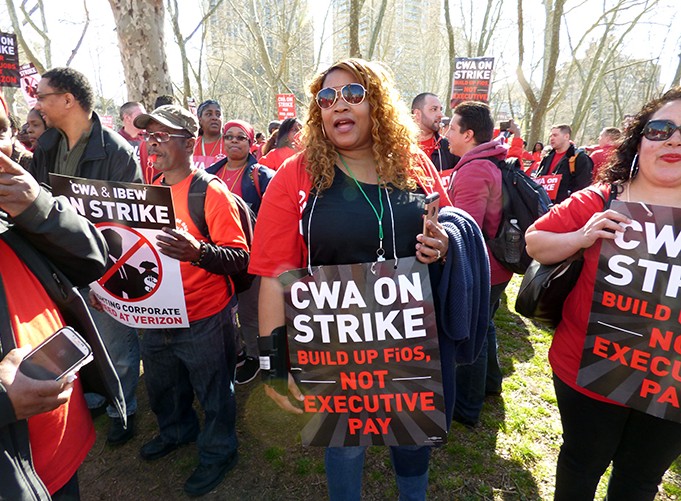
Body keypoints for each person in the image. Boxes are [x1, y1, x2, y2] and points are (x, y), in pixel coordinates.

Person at [249, 58, 468, 501]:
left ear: (378, 105)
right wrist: (274, 367)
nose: (337, 105)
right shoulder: (296, 174)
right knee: (345, 446)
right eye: (326, 98)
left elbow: (442, 227)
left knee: (410, 438)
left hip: (406, 339)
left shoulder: (413, 163)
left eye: (353, 94)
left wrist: (441, 246)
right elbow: (275, 277)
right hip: (333, 344)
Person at [525, 87, 681, 501]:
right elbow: (535, 241)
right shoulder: (603, 198)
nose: (674, 140)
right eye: (661, 129)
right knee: (581, 463)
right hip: (590, 370)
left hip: (672, 383)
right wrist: (582, 235)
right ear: (639, 140)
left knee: (639, 480)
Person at [0, 94, 124, 500]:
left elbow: (94, 260)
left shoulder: (16, 213)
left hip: (61, 459)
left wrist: (39, 209)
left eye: (0, 130)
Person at [133, 105, 248, 496]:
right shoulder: (148, 191)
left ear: (190, 143)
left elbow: (241, 258)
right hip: (155, 314)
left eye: (163, 136)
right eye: (150, 136)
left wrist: (197, 252)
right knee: (164, 385)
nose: (154, 143)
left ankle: (219, 452)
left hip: (204, 316)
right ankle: (177, 431)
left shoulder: (209, 192)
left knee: (214, 392)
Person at [29, 67, 142, 445]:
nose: (37, 104)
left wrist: (106, 274)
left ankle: (123, 409)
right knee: (74, 335)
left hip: (104, 266)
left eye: (43, 96)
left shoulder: (118, 152)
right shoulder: (46, 147)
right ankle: (93, 396)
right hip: (57, 264)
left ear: (67, 99)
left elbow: (131, 221)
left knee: (116, 344)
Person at [444, 101, 511, 428]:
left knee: (471, 334)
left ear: (468, 134)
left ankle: (467, 407)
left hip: (483, 267)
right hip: (496, 266)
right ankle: (490, 385)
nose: (446, 135)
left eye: (451, 129)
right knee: (484, 325)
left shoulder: (473, 170)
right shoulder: (487, 161)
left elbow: (464, 229)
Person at [206, 119, 275, 384]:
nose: (234, 141)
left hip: (252, 257)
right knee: (222, 308)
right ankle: (237, 354)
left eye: (240, 138)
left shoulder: (261, 175)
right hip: (216, 255)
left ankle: (258, 357)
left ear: (250, 143)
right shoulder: (210, 174)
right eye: (229, 137)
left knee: (249, 311)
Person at [534, 124, 593, 203]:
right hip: (542, 204)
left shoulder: (580, 158)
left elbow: (583, 187)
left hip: (563, 207)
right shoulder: (547, 157)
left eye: (555, 135)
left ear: (566, 137)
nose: (552, 138)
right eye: (551, 136)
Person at [411, 92, 458, 172]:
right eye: (434, 109)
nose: (440, 115)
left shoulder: (450, 148)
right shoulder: (398, 147)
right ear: (417, 114)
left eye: (440, 110)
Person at [117, 101, 152, 183]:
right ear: (127, 118)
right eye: (140, 115)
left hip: (150, 189)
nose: (145, 119)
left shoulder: (151, 139)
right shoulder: (115, 142)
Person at [193, 99, 225, 168]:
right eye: (209, 114)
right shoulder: (192, 144)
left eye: (218, 114)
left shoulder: (230, 143)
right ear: (200, 119)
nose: (214, 118)